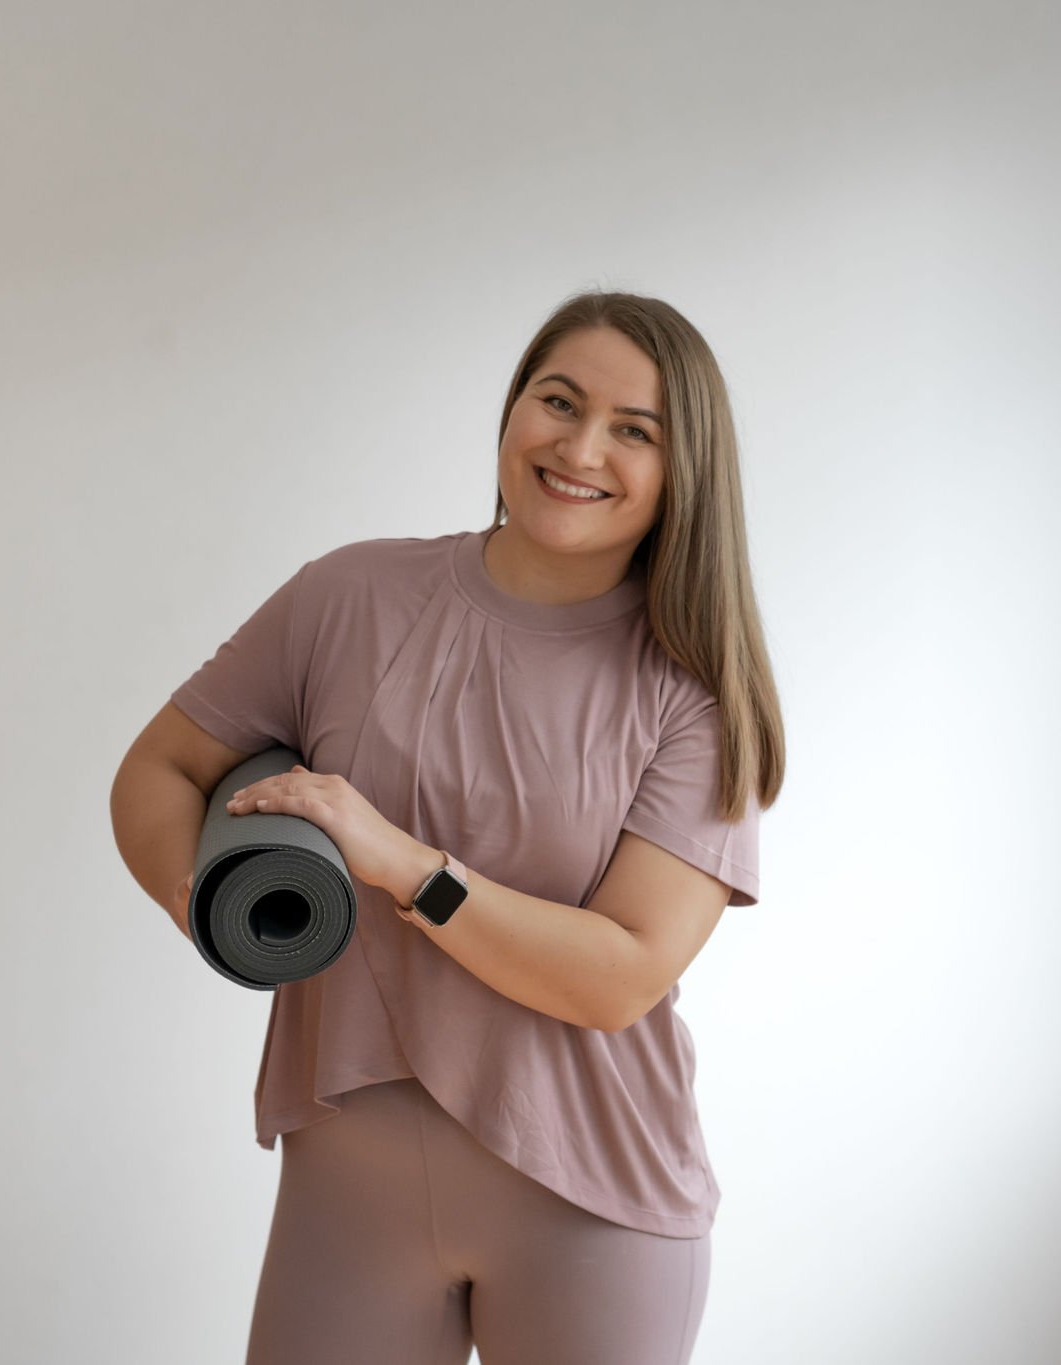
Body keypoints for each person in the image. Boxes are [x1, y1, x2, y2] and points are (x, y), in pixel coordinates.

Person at [109, 289, 786, 1364]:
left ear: (683, 471)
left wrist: (401, 865)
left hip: (594, 1202)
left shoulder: (695, 692)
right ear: (513, 406)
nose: (579, 448)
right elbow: (160, 767)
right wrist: (216, 911)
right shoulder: (348, 596)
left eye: (633, 430)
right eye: (557, 401)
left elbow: (620, 975)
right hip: (348, 1187)